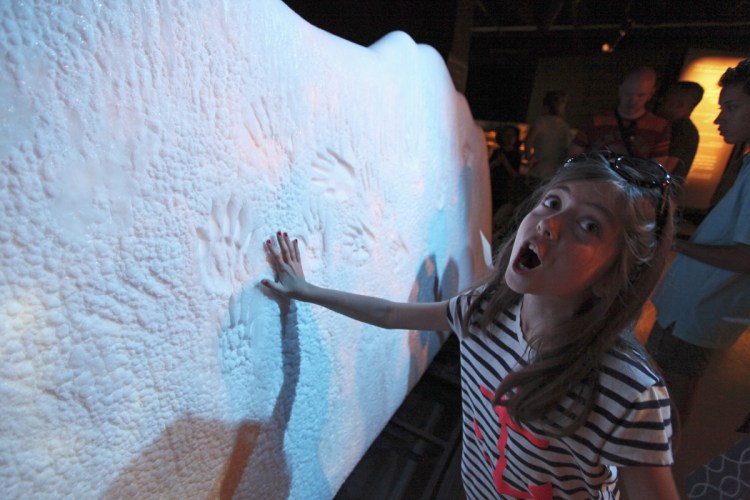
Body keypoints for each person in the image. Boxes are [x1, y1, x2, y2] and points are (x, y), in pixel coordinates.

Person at [261, 152, 680, 498]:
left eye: (588, 225)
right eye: (553, 202)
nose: (549, 224)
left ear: (615, 274)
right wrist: (305, 290)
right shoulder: (485, 311)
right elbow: (388, 315)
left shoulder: (629, 392)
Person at [646, 58, 750, 429]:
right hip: (694, 307)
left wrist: (677, 244)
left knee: (666, 401)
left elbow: (745, 257)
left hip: (702, 309)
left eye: (732, 108)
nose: (721, 119)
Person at [569, 66, 671, 165]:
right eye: (628, 93)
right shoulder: (595, 120)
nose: (633, 100)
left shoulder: (659, 126)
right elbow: (573, 156)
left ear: (651, 93)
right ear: (620, 89)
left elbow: (656, 167)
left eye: (640, 95)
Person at [655, 81, 705, 181]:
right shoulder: (686, 130)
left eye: (667, 99)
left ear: (680, 105)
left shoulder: (681, 130)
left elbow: (664, 169)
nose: (661, 101)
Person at [524, 90, 572, 184]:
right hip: (555, 174)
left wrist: (529, 157)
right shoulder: (564, 127)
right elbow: (569, 149)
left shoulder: (541, 121)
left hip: (539, 170)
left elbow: (528, 140)